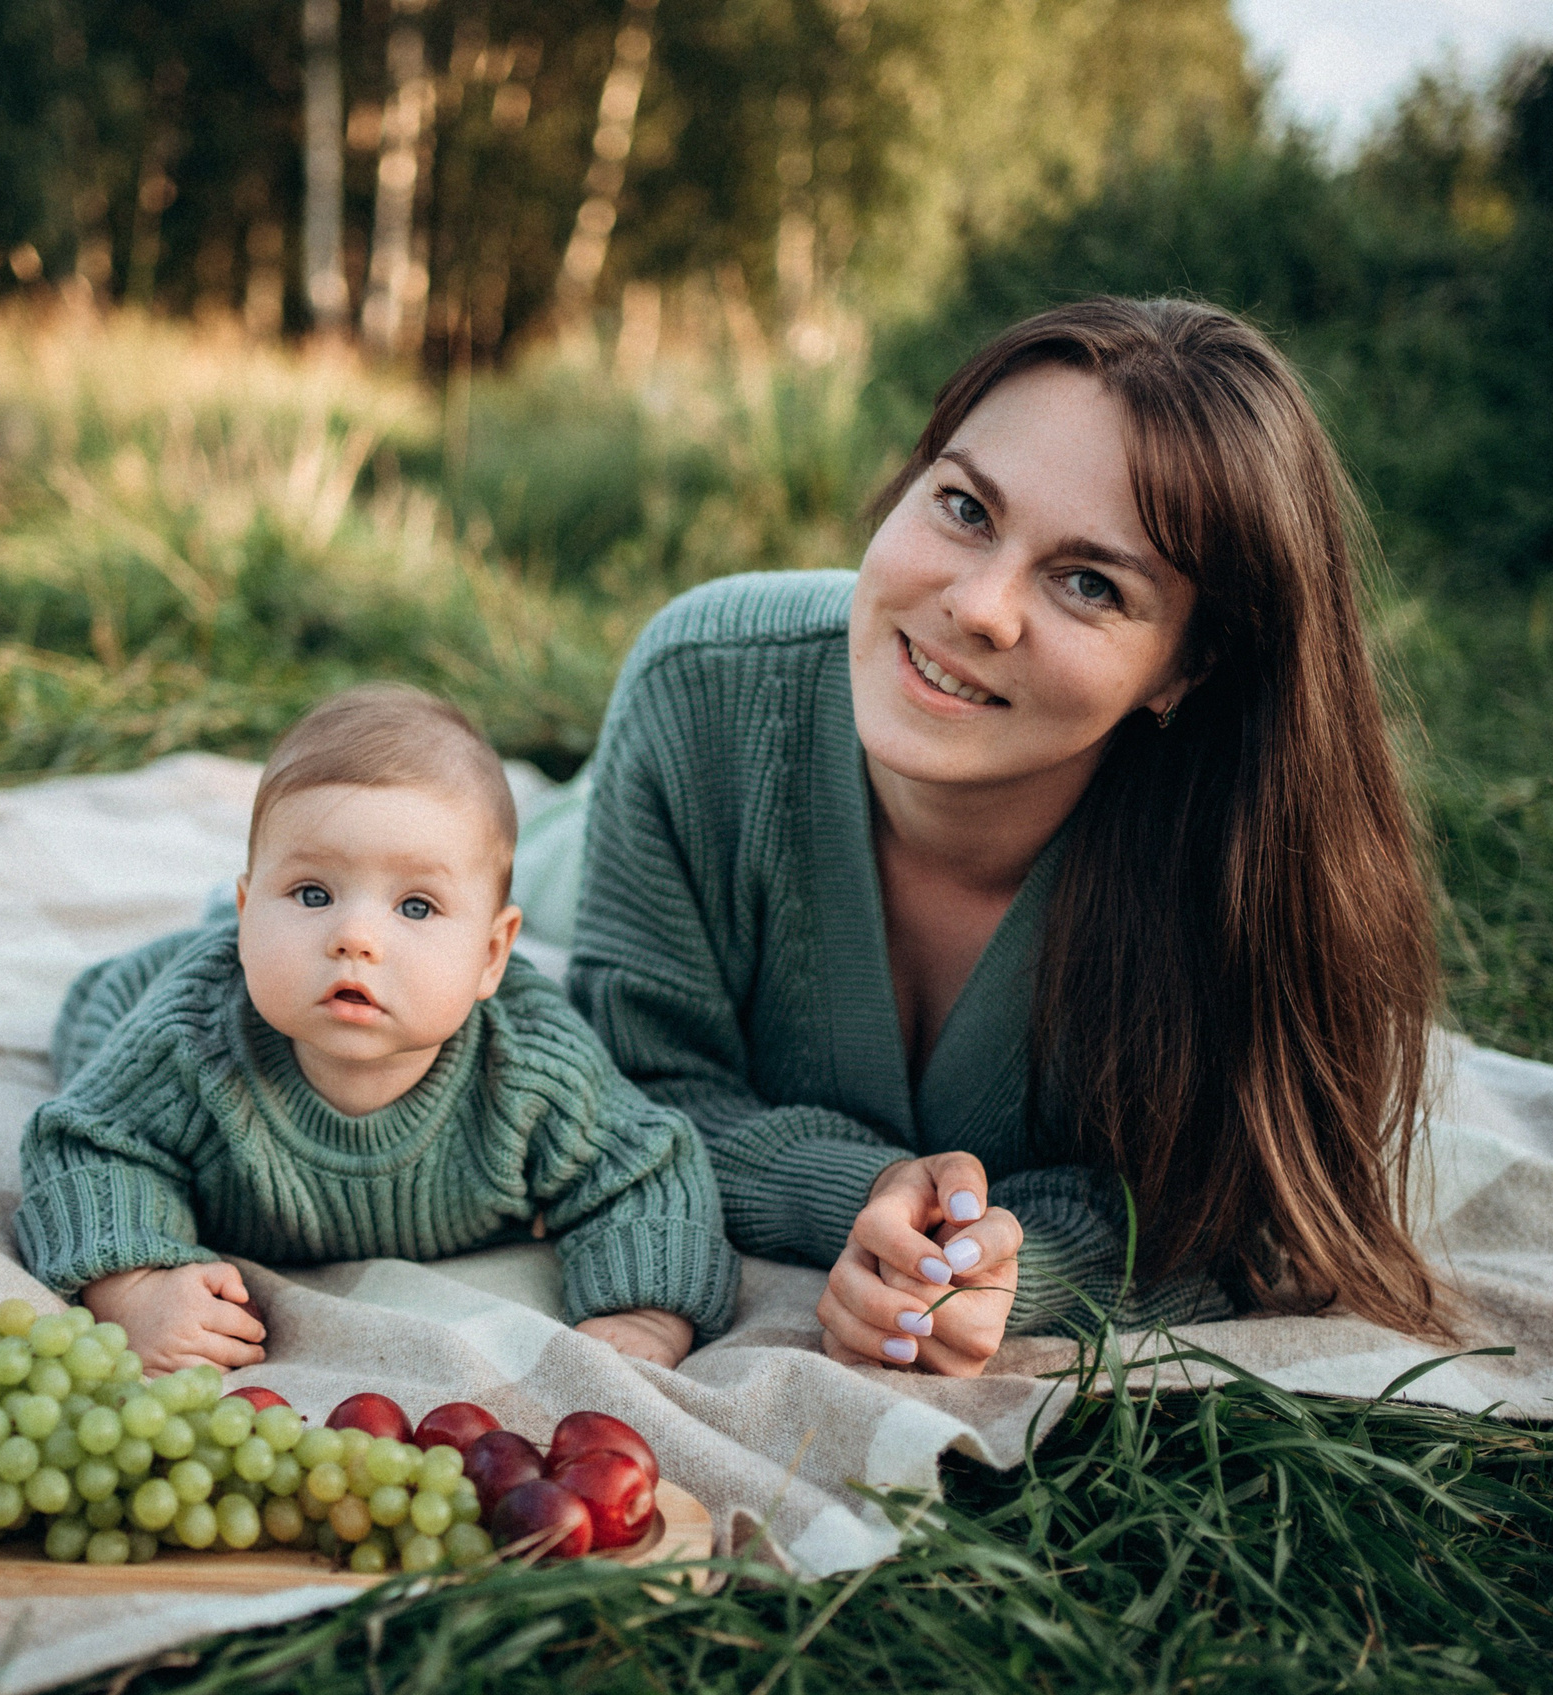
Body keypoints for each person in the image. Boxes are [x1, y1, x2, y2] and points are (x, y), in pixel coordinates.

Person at [559, 296, 1446, 1377]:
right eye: (966, 509)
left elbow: (1245, 1206)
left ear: (1186, 668)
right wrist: (869, 1198)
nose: (977, 607)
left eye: (1088, 583)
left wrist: (1013, 1272)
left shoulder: (1253, 861)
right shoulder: (698, 688)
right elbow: (626, 1083)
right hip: (576, 849)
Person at [13, 683, 741, 1375]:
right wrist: (135, 1286)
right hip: (159, 990)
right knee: (96, 1050)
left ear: (491, 954)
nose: (355, 934)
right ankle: (231, 930)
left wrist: (646, 1310)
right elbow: (85, 1142)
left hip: (297, 981)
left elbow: (645, 1167)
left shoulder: (530, 1065)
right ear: (247, 909)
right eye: (313, 892)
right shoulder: (189, 1042)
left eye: (416, 906)